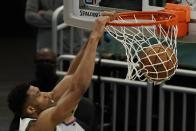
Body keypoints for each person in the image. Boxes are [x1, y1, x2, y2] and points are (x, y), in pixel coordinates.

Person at [7, 12, 115, 131]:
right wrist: (95, 37)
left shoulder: (45, 106)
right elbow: (78, 88)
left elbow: (71, 74)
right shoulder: (39, 124)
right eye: (39, 94)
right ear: (31, 109)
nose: (46, 94)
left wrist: (92, 38)